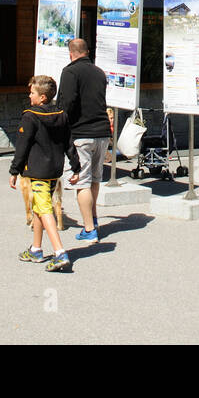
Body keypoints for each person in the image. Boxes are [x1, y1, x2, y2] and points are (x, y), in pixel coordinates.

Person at [11, 75, 80, 272]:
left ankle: (60, 253)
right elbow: (69, 142)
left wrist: (14, 171)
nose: (29, 95)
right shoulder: (61, 114)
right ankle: (36, 249)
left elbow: (22, 146)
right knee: (38, 208)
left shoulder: (30, 116)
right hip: (54, 171)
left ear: (42, 98)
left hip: (38, 172)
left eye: (32, 92)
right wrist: (76, 166)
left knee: (45, 209)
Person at [57, 37, 110, 244]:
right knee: (95, 180)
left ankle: (89, 229)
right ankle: (93, 219)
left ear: (71, 54)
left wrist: (60, 123)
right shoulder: (99, 72)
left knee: (82, 182)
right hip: (102, 132)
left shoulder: (70, 71)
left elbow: (67, 102)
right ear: (87, 52)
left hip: (81, 133)